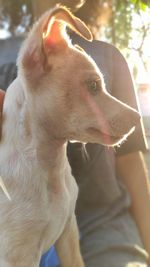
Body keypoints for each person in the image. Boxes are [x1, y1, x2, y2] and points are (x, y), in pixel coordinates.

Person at [0, 1, 150, 266]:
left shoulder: (109, 55)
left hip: (106, 230)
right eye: (92, 87)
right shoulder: (13, 57)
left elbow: (133, 167)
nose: (131, 115)